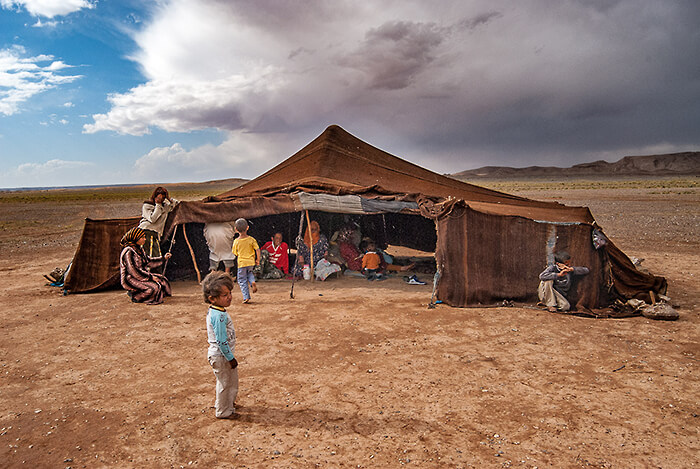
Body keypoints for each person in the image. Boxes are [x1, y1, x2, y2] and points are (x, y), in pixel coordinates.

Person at [202, 271, 238, 419]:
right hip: (221, 356)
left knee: (231, 381)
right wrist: (230, 358)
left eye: (229, 293)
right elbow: (221, 341)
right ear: (212, 299)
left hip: (223, 355)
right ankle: (223, 410)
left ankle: (228, 403)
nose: (229, 297)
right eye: (224, 295)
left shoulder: (218, 311)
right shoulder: (218, 316)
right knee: (224, 383)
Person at [119, 227, 172, 305]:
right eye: (142, 237)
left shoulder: (140, 249)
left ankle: (153, 295)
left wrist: (164, 258)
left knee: (163, 281)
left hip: (141, 275)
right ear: (136, 238)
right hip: (130, 279)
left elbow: (149, 261)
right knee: (154, 288)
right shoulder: (128, 252)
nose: (145, 239)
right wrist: (151, 277)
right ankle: (136, 296)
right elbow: (133, 271)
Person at [138, 187, 179, 258]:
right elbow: (152, 219)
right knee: (150, 256)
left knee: (155, 256)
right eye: (160, 197)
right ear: (155, 196)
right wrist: (158, 205)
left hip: (155, 234)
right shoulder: (147, 206)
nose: (161, 200)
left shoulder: (165, 207)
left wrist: (169, 199)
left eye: (163, 198)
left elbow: (177, 204)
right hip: (146, 231)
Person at [231, 218, 260, 303]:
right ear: (247, 228)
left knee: (242, 280)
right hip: (251, 262)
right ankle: (252, 282)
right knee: (250, 273)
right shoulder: (251, 239)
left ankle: (246, 297)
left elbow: (235, 253)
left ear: (236, 230)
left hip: (242, 263)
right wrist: (257, 259)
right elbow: (257, 249)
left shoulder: (236, 241)